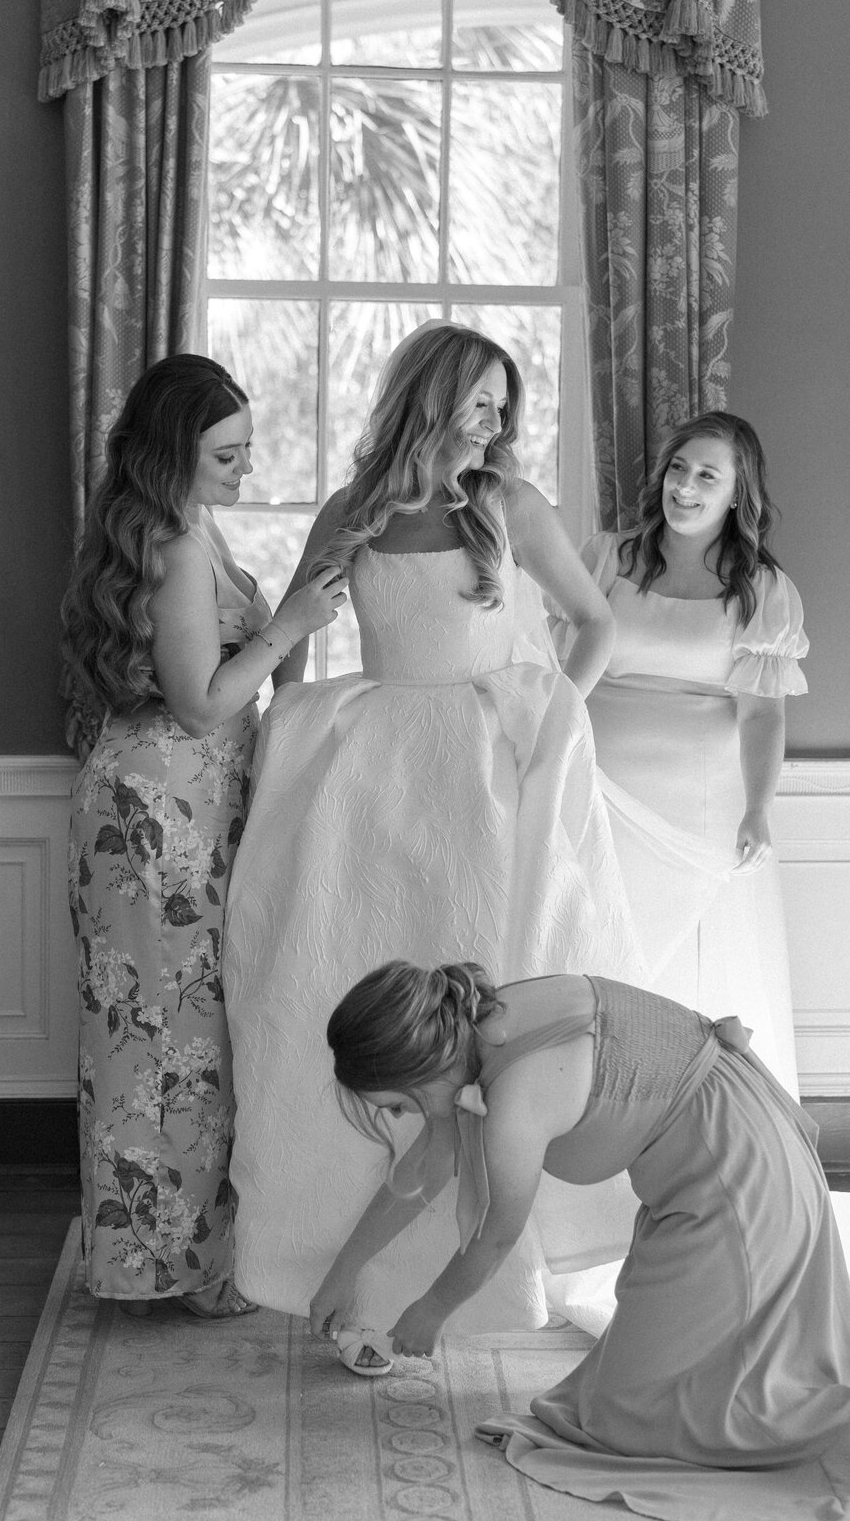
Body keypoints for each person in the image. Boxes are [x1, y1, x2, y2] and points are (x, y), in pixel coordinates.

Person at [223, 321, 646, 1371]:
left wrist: (550, 722)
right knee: (363, 995)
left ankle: (497, 1268)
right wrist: (283, 762)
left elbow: (596, 626)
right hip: (372, 787)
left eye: (506, 409)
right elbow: (294, 650)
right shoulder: (353, 512)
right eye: (480, 404)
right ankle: (336, 1257)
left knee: (477, 1008)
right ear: (431, 397)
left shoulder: (508, 508)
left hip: (481, 780)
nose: (496, 425)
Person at [311, 959, 850, 1521]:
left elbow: (494, 1236)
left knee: (639, 1426)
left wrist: (430, 1312)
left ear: (420, 1067)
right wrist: (339, 1276)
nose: (402, 1120)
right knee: (630, 1399)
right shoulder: (480, 1022)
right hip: (722, 1160)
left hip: (739, 1185)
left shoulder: (516, 1098)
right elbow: (425, 1171)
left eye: (397, 1105)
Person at [61, 354, 346, 1315]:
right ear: (178, 451)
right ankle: (170, 1267)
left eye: (250, 450)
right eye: (228, 454)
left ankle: (179, 1258)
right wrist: (290, 623)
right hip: (161, 814)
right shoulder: (176, 546)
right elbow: (197, 703)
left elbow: (245, 683)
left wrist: (297, 621)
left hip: (181, 804)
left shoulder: (189, 528)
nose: (246, 469)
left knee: (177, 1032)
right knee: (166, 1039)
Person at [574, 411, 807, 1094]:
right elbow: (562, 673)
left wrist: (758, 809)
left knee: (687, 959)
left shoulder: (763, 590)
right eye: (679, 468)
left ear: (739, 492)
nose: (686, 486)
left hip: (700, 799)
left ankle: (691, 1112)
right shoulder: (607, 558)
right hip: (598, 785)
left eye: (708, 475)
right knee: (603, 945)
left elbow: (762, 713)